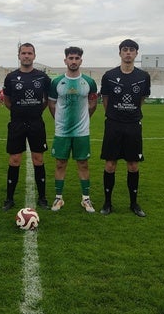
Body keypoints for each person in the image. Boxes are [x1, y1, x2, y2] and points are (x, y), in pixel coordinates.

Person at [99, 39, 151, 217]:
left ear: (136, 53)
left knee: (133, 165)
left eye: (132, 50)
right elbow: (105, 100)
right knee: (110, 164)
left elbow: (141, 99)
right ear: (120, 53)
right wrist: (115, 115)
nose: (128, 53)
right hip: (113, 125)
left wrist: (131, 114)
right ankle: (107, 203)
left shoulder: (143, 76)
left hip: (133, 126)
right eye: (125, 50)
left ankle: (134, 203)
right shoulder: (109, 76)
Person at [1, 42, 51, 211]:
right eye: (24, 53)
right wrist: (18, 111)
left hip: (36, 123)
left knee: (38, 159)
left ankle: (42, 198)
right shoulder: (11, 77)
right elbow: (7, 100)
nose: (27, 56)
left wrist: (36, 111)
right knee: (15, 159)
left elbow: (47, 99)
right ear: (19, 56)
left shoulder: (42, 78)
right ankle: (9, 198)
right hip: (16, 123)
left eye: (30, 53)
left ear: (34, 56)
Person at [48, 46, 97, 213]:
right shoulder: (56, 82)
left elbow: (92, 103)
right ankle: (59, 198)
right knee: (60, 163)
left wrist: (84, 119)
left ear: (81, 61)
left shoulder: (89, 82)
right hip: (62, 131)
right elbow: (52, 104)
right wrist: (60, 120)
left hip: (82, 132)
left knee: (83, 163)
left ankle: (86, 199)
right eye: (71, 58)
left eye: (77, 58)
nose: (74, 61)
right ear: (65, 60)